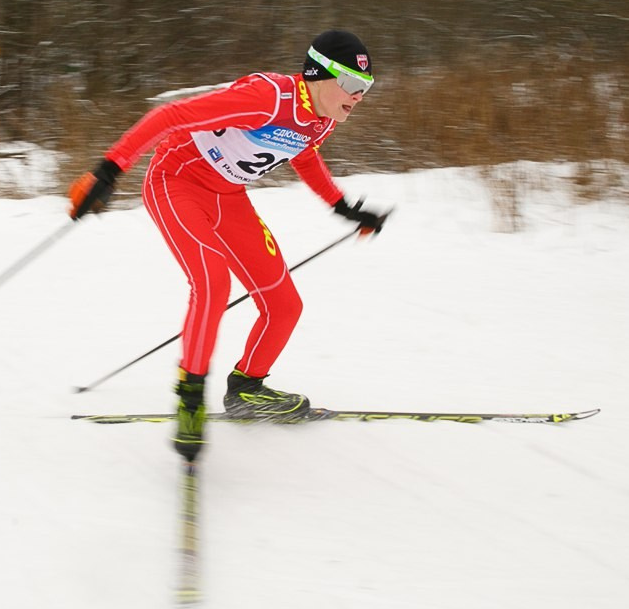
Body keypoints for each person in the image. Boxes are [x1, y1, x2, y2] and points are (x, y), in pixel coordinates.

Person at [67, 30, 389, 461]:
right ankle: (190, 398)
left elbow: (304, 153)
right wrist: (109, 170)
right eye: (350, 83)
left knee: (285, 306)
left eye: (365, 87)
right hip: (176, 182)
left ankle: (247, 390)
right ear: (318, 75)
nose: (359, 95)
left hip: (229, 198)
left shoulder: (323, 118)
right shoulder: (267, 98)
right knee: (213, 284)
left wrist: (342, 206)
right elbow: (170, 116)